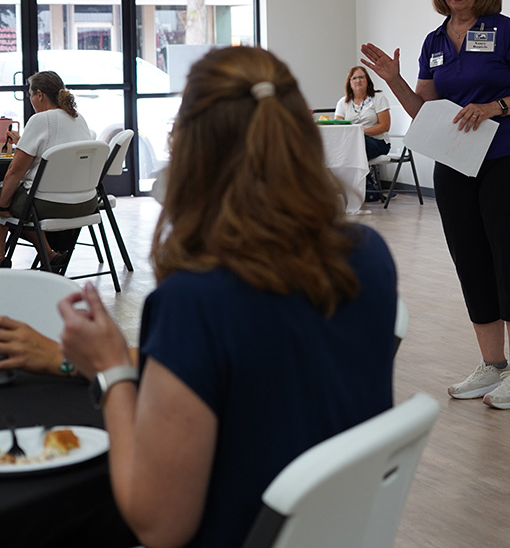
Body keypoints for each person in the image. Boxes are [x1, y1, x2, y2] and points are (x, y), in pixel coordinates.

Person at [58, 46, 398, 548]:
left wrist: (110, 371)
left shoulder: (193, 301)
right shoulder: (368, 257)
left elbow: (159, 524)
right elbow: (263, 368)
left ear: (190, 149)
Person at [362, 0, 510, 411]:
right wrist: (392, 79)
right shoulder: (434, 41)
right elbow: (424, 110)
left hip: (509, 157)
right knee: (471, 259)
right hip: (455, 162)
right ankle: (493, 365)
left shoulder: (505, 32)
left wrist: (494, 107)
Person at [0, 70, 94, 271]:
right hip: (86, 202)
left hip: (48, 205)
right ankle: (49, 254)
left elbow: (14, 172)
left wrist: (2, 206)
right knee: (21, 205)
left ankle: (1, 261)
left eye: (30, 95)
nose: (31, 100)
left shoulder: (40, 120)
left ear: (40, 94)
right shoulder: (78, 118)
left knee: (3, 203)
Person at [334, 65, 392, 160]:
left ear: (367, 80)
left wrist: (359, 132)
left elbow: (385, 126)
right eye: (354, 78)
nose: (358, 81)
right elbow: (338, 127)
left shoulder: (378, 98)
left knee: (353, 145)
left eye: (361, 77)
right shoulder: (342, 102)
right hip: (352, 142)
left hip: (377, 142)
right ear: (349, 83)